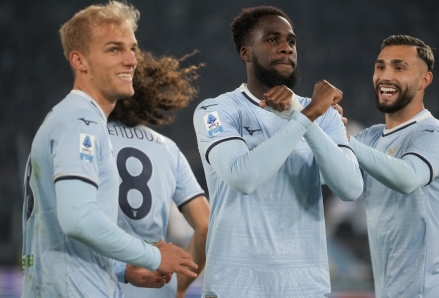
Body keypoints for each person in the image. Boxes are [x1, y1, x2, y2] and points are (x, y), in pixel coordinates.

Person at [21, 2, 197, 297]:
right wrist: (152, 255)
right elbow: (78, 219)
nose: (131, 60)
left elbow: (59, 234)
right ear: (79, 60)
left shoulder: (69, 118)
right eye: (114, 49)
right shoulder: (81, 121)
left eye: (133, 49)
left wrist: (122, 269)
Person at [192, 6, 363, 297]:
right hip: (235, 288)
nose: (286, 48)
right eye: (272, 40)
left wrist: (306, 116)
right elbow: (242, 177)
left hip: (306, 288)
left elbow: (350, 187)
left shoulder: (324, 114)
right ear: (246, 52)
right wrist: (306, 117)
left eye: (291, 42)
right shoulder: (217, 110)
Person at [347, 35, 439, 297]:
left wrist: (344, 141)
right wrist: (309, 118)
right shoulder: (371, 137)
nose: (386, 76)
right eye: (380, 67)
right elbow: (325, 174)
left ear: (425, 80)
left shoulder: (435, 136)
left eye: (399, 67)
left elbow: (408, 177)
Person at [108, 49, 210, 298]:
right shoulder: (167, 149)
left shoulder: (86, 138)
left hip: (98, 284)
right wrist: (181, 285)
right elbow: (206, 225)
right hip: (155, 288)